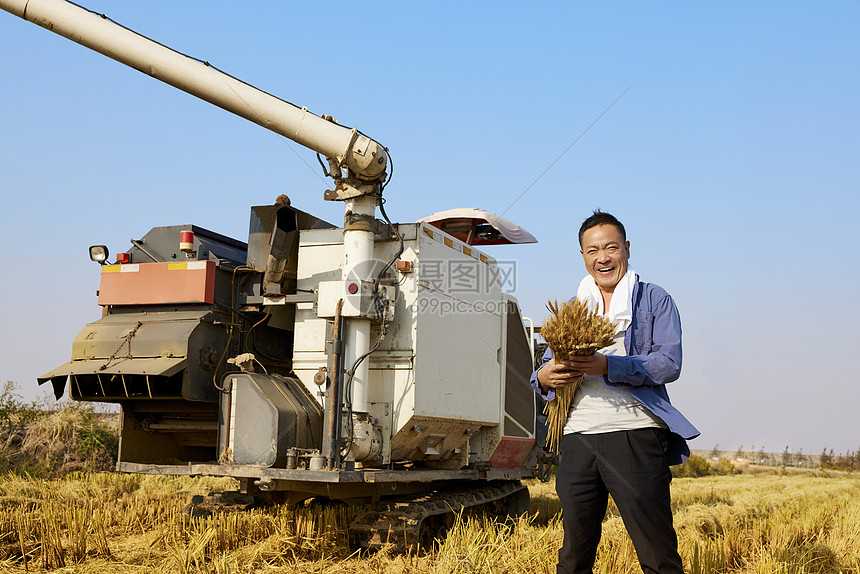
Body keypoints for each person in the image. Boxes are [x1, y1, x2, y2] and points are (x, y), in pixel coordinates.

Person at [531, 210, 699, 574]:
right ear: (583, 256)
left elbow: (669, 362)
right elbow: (541, 375)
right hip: (577, 437)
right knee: (574, 554)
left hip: (634, 432)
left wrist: (609, 366)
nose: (602, 257)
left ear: (626, 248)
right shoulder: (574, 308)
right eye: (593, 250)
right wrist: (545, 375)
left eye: (610, 247)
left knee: (656, 552)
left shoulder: (654, 299)